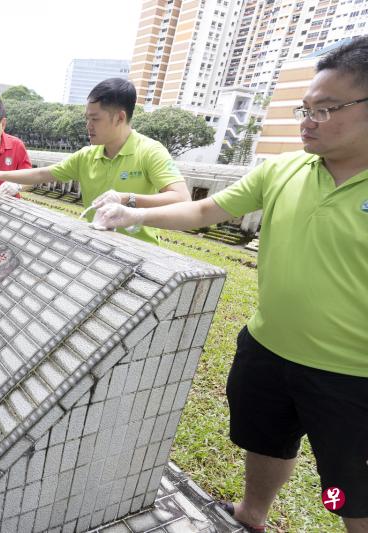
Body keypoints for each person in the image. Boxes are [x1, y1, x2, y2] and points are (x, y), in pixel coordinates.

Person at [92, 37, 368, 532]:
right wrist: (129, 213)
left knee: (344, 489)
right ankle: (252, 513)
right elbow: (204, 210)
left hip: (351, 377)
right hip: (268, 349)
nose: (308, 119)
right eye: (306, 108)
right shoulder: (283, 170)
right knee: (266, 442)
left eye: (326, 109)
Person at [0, 78, 190, 246]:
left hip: (141, 250)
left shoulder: (150, 151)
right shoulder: (87, 155)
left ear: (120, 118)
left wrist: (126, 198)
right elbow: (42, 174)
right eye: (87, 118)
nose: (88, 125)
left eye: (95, 119)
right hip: (98, 243)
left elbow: (181, 199)